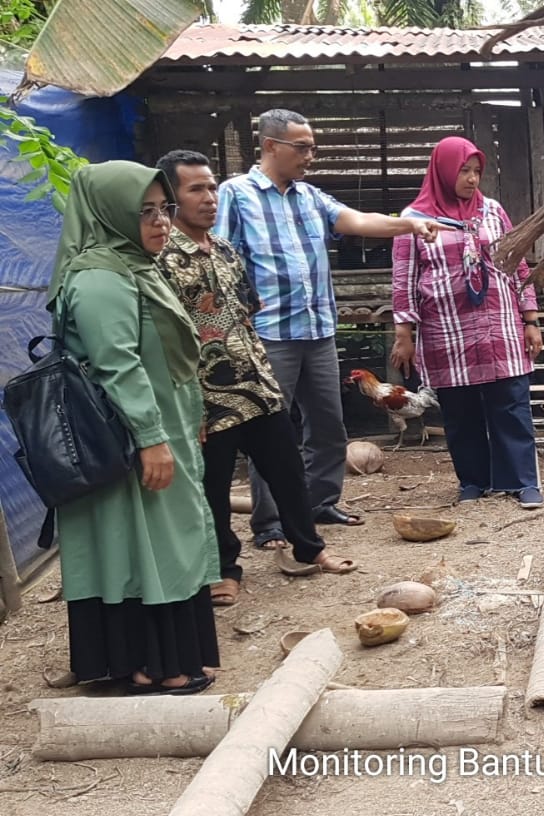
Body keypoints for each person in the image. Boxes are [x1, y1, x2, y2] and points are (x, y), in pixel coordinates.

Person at [215, 108, 440, 550]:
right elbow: (221, 260)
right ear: (270, 147)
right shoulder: (236, 194)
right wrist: (232, 327)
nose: (311, 156)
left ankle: (319, 503)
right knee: (271, 432)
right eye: (303, 147)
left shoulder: (310, 197)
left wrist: (409, 224)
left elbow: (356, 221)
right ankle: (271, 522)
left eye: (313, 147)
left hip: (317, 331)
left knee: (328, 427)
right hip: (267, 333)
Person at [156, 149, 359, 605]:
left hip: (257, 386)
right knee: (214, 486)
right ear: (170, 197)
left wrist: (263, 374)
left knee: (286, 471)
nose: (209, 197)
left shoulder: (226, 250)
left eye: (211, 187)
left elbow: (248, 312)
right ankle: (224, 569)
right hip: (207, 397)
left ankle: (309, 549)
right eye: (196, 189)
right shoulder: (163, 259)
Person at [49, 161, 219, 695]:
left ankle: (136, 661)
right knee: (151, 544)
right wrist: (151, 439)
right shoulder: (101, 278)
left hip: (154, 431)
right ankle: (154, 663)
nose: (161, 222)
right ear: (111, 214)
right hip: (129, 439)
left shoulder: (132, 268)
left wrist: (185, 422)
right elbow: (117, 365)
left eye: (163, 209)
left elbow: (162, 361)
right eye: (143, 211)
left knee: (149, 542)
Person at [390, 136, 544, 508]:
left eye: (477, 171)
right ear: (443, 170)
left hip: (499, 324)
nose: (472, 179)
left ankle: (522, 481)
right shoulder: (414, 219)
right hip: (446, 329)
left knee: (510, 402)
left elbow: (516, 260)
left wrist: (530, 318)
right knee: (459, 408)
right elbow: (403, 278)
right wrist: (404, 333)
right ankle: (473, 481)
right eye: (464, 171)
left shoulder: (491, 211)